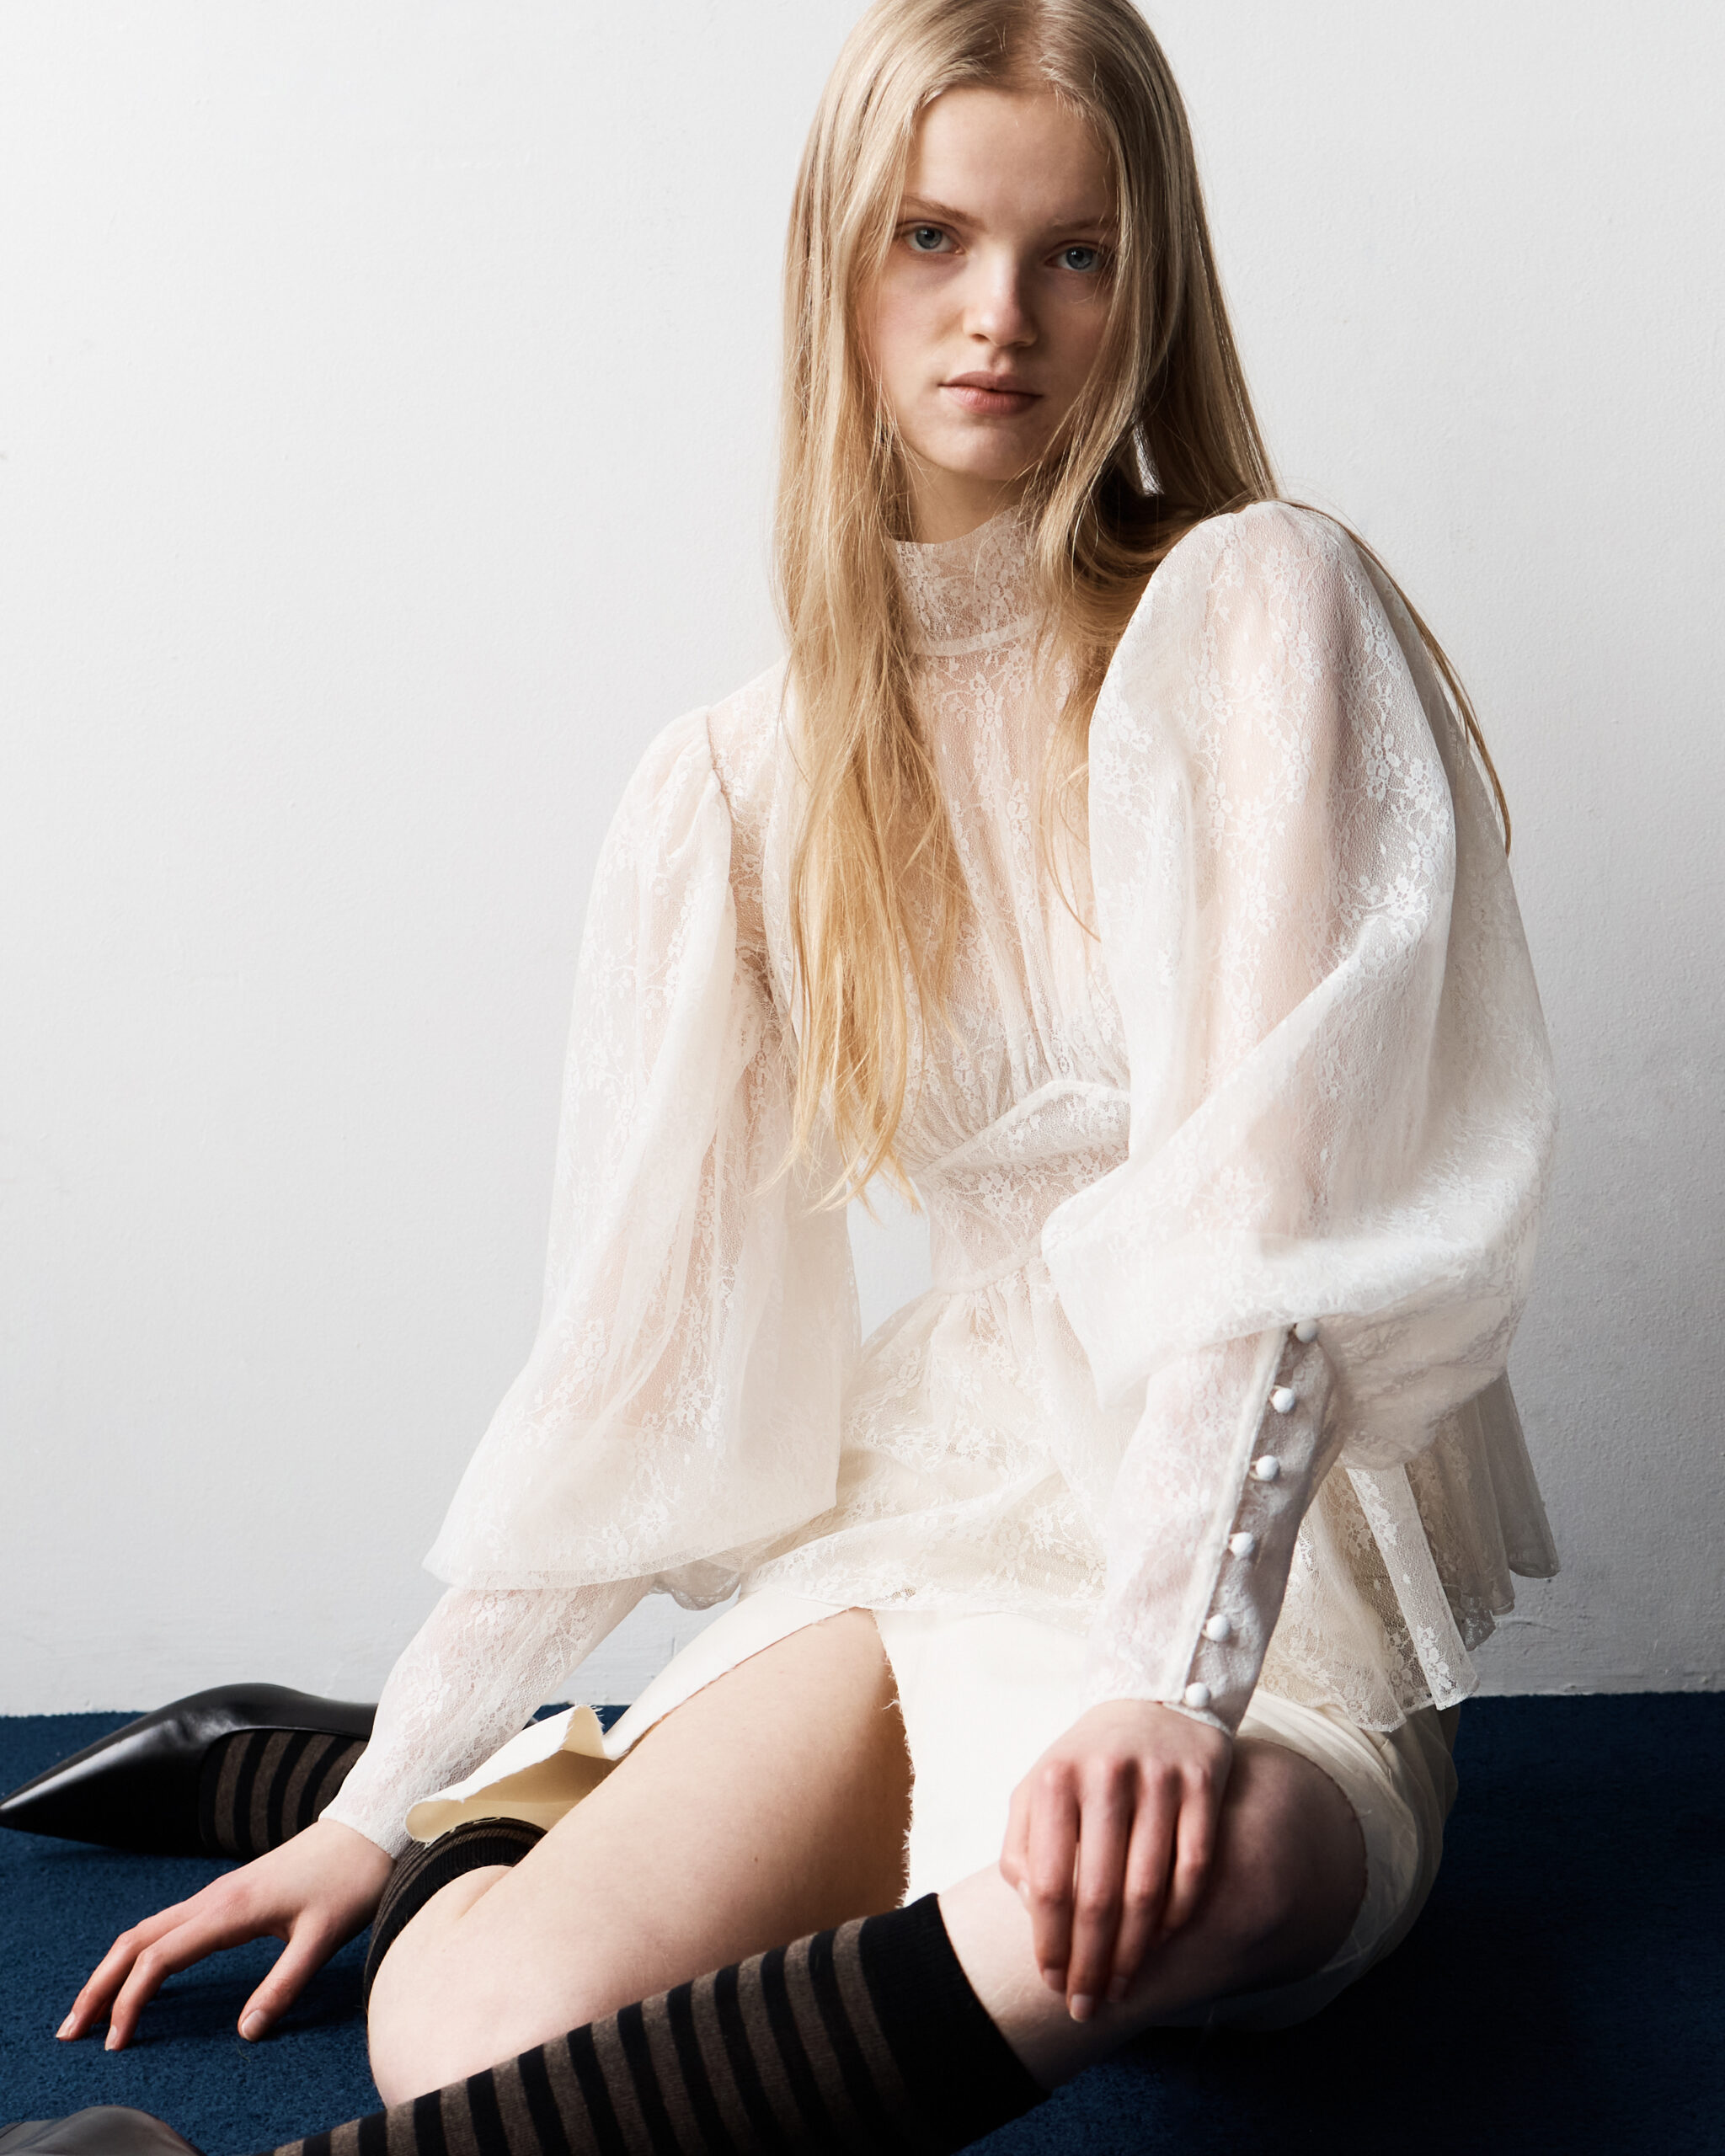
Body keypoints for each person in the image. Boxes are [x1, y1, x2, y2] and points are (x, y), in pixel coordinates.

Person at [51, 1, 1557, 2145]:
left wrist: (1163, 1685)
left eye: (1075, 253)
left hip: (1232, 1557)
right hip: (932, 1511)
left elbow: (1273, 1232)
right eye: (931, 237)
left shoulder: (1259, 609)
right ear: (832, 264)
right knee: (471, 2029)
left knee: (1189, 1878)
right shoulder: (737, 786)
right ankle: (480, 1780)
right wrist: (383, 1802)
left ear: (1149, 285)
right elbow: (628, 1365)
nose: (998, 316)